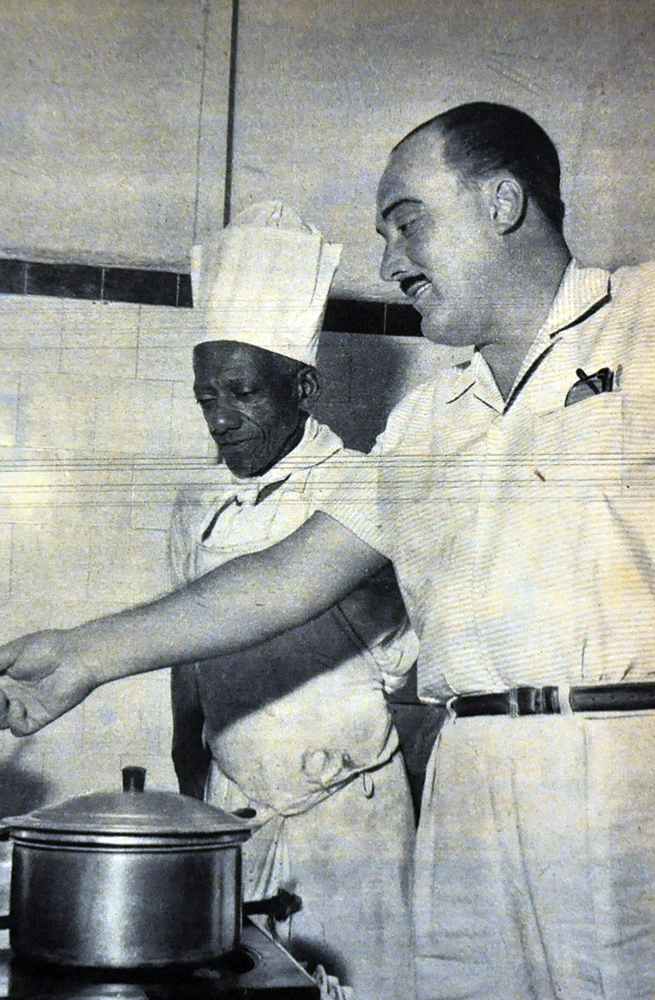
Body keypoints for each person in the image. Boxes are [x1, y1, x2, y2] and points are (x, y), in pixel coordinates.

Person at [0, 103, 655, 1000]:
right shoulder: (426, 424)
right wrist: (79, 654)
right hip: (471, 789)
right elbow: (279, 578)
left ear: (503, 201)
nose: (392, 263)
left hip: (632, 763)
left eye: (408, 222)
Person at [168, 201, 418, 1000]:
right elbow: (184, 655)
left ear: (303, 385)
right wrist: (190, 801)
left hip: (352, 820)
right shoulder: (194, 502)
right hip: (235, 814)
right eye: (207, 396)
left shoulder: (359, 492)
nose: (221, 418)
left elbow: (416, 688)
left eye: (241, 393)